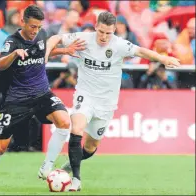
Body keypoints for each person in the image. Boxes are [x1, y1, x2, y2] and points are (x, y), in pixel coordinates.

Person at [45, 11, 180, 191]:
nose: (104, 36)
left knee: (91, 147)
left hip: (106, 103)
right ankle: (76, 180)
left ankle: (69, 165)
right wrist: (46, 54)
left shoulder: (119, 45)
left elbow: (141, 51)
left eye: (108, 33)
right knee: (76, 128)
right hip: (85, 95)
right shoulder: (83, 38)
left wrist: (163, 58)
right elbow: (55, 37)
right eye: (101, 32)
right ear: (96, 27)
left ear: (114, 30)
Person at [0, 5, 85, 191]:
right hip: (17, 100)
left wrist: (64, 50)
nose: (35, 31)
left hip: (42, 94)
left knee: (64, 122)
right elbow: (0, 64)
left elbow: (43, 52)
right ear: (23, 22)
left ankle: (47, 166)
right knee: (0, 147)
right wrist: (15, 54)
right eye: (32, 26)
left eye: (38, 27)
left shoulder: (41, 35)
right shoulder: (12, 41)